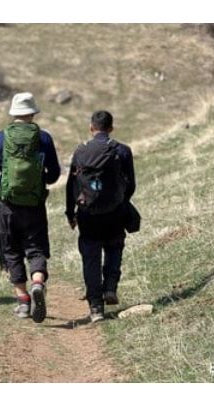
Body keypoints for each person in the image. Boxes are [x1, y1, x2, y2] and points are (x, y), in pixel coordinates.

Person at [0, 92, 61, 323]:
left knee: (11, 251)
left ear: (13, 113)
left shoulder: (0, 138)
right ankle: (37, 282)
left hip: (7, 206)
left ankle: (23, 301)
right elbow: (54, 175)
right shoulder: (44, 138)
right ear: (32, 113)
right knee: (36, 248)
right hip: (34, 205)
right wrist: (38, 179)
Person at [65, 110, 136, 323]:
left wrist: (70, 213)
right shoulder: (122, 151)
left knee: (90, 257)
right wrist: (120, 201)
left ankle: (96, 307)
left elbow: (71, 186)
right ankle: (110, 287)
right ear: (111, 128)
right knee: (114, 247)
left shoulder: (80, 151)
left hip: (87, 215)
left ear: (91, 128)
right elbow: (131, 184)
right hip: (115, 212)